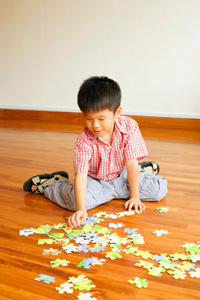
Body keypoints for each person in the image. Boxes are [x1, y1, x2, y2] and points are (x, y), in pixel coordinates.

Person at [23, 76, 167, 228]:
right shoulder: (84, 140)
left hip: (122, 173)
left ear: (117, 112)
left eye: (101, 118)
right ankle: (54, 184)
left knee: (158, 191)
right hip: (96, 181)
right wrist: (81, 209)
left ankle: (140, 170)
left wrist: (135, 196)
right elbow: (81, 175)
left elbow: (131, 162)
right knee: (75, 202)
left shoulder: (129, 126)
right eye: (88, 119)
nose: (95, 125)